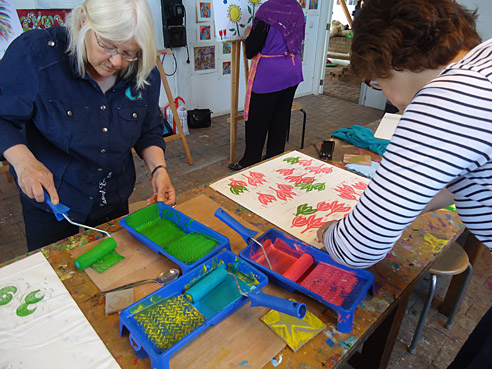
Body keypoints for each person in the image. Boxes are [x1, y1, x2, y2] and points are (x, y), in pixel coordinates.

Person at [316, 0, 491, 367]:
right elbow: (465, 174)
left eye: (379, 84)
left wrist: (331, 231)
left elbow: (358, 248)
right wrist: (405, 201)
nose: (390, 100)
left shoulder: (448, 99)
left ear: (392, 61)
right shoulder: (484, 60)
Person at [0, 0, 176, 251]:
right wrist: (24, 162)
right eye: (107, 46)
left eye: (128, 53)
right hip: (52, 196)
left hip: (112, 192)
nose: (116, 62)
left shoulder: (142, 70)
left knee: (113, 267)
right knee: (57, 277)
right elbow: (3, 116)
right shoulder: (36, 55)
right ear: (84, 21)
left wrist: (159, 170)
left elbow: (148, 130)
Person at [228, 0, 305, 171]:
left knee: (258, 119)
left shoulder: (267, 10)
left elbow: (251, 50)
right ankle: (275, 157)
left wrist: (249, 34)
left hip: (270, 73)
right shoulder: (296, 8)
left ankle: (251, 159)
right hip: (292, 69)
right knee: (281, 117)